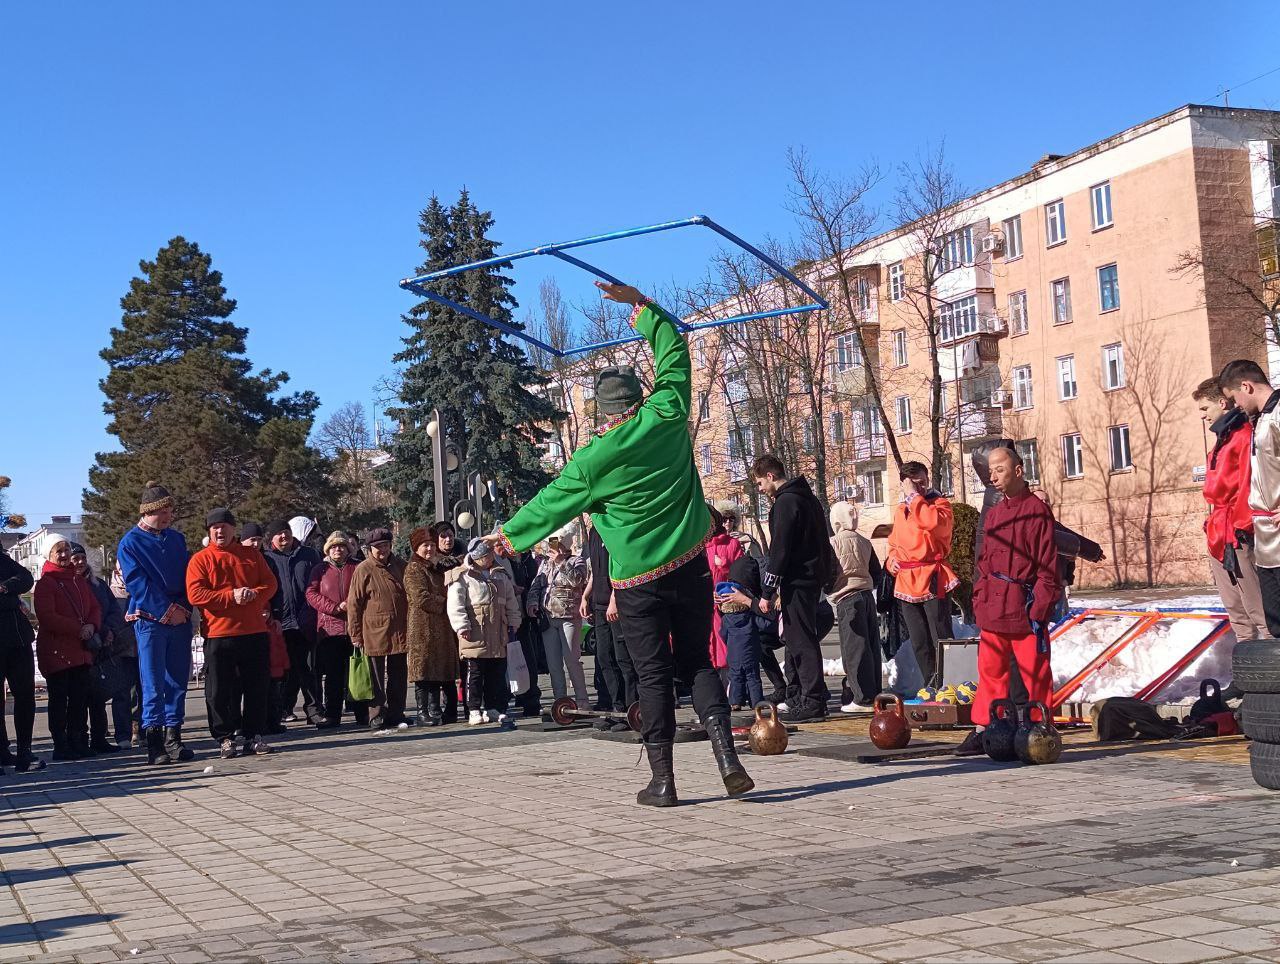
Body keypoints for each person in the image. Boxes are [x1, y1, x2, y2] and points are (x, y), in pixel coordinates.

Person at [487, 281, 753, 807]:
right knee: (699, 662)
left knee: (652, 676)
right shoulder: (669, 414)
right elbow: (675, 352)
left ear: (604, 413)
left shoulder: (595, 459)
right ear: (639, 399)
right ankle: (727, 759)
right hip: (691, 566)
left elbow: (551, 500)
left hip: (636, 583)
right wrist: (641, 307)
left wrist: (509, 535)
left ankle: (664, 781)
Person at [958, 447, 1059, 756]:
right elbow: (985, 562)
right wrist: (980, 598)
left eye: (999, 469)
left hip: (1024, 608)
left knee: (1035, 674)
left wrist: (1038, 609)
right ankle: (986, 729)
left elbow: (1048, 568)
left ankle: (1037, 730)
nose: (993, 476)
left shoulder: (1036, 511)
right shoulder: (996, 513)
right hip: (994, 608)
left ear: (1018, 470)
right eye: (991, 471)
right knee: (990, 672)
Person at [186, 508, 279, 758]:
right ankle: (225, 737)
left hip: (254, 631)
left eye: (224, 527)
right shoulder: (200, 560)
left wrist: (254, 594)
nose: (219, 531)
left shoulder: (251, 555)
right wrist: (231, 596)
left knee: (257, 686)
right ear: (209, 531)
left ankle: (254, 735)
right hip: (219, 634)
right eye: (214, 528)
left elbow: (271, 584)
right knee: (219, 690)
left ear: (233, 530)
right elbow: (195, 594)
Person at [116, 481, 195, 766]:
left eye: (170, 511)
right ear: (148, 512)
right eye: (162, 511)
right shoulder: (130, 542)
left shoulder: (176, 539)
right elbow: (137, 582)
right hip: (151, 619)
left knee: (178, 679)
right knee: (152, 682)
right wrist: (165, 610)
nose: (167, 516)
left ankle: (175, 736)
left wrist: (185, 607)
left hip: (180, 616)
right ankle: (154, 741)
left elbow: (189, 575)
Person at [750, 454, 833, 723]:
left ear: (771, 476)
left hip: (797, 579)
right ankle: (802, 694)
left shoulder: (786, 503)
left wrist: (767, 589)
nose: (761, 489)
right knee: (800, 637)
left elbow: (780, 549)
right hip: (811, 577)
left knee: (800, 639)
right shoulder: (808, 499)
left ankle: (813, 699)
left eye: (760, 483)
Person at [1194, 377, 1268, 640]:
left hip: (1237, 530)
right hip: (1218, 530)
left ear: (1222, 403)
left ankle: (1271, 670)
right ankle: (1247, 671)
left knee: (1258, 607)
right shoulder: (1221, 441)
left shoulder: (1244, 436)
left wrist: (1242, 526)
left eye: (1205, 409)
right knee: (1235, 610)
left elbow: (1249, 484)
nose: (1202, 416)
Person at [1220, 359, 1280, 635]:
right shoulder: (1260, 420)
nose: (1236, 406)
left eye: (1235, 398)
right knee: (1275, 622)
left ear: (1246, 386)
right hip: (1267, 539)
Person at [885, 462, 957, 690]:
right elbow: (894, 542)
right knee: (919, 641)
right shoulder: (901, 510)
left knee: (940, 637)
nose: (918, 486)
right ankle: (931, 684)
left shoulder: (940, 505)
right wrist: (891, 560)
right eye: (912, 482)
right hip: (907, 579)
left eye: (920, 480)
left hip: (931, 576)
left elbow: (930, 523)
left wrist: (914, 497)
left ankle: (949, 684)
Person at [34, 536, 100, 761]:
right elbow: (47, 617)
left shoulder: (77, 579)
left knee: (79, 699)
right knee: (60, 700)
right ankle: (61, 745)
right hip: (57, 651)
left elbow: (94, 607)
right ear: (49, 555)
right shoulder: (46, 583)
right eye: (58, 551)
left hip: (79, 650)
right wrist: (78, 628)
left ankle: (78, 740)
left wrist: (92, 625)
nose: (64, 555)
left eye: (66, 549)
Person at [447, 538, 521, 725]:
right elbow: (455, 604)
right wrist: (462, 626)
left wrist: (514, 621)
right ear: (476, 558)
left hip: (498, 631)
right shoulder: (462, 576)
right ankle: (473, 710)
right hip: (475, 632)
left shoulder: (500, 574)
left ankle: (493, 708)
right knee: (475, 673)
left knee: (496, 672)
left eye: (489, 555)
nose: (489, 558)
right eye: (485, 556)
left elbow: (510, 601)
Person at [347, 528, 409, 729]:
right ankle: (376, 714)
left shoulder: (400, 565)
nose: (382, 550)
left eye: (385, 545)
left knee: (398, 676)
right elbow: (354, 604)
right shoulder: (364, 569)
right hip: (374, 631)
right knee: (375, 677)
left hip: (400, 629)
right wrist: (355, 633)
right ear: (370, 549)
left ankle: (397, 712)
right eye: (377, 547)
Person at [71, 544, 129, 753]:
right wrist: (99, 630)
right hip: (80, 646)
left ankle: (99, 737)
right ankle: (80, 738)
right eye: (74, 558)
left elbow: (113, 609)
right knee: (79, 696)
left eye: (81, 557)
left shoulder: (99, 585)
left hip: (103, 647)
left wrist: (110, 630)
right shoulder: (69, 585)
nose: (79, 562)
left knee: (100, 694)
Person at [264, 519, 323, 726]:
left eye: (286, 532)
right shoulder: (266, 558)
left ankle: (314, 710)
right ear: (271, 538)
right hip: (279, 624)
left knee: (309, 669)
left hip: (305, 622)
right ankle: (282, 710)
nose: (284, 536)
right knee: (282, 671)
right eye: (278, 533)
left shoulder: (308, 555)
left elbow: (319, 585)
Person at [829, 501, 883, 711]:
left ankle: (862, 698)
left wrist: (830, 589)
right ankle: (875, 692)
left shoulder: (833, 543)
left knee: (854, 649)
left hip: (846, 598)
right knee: (871, 647)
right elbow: (876, 572)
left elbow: (829, 572)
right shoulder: (865, 541)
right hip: (867, 595)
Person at [305, 531, 360, 728]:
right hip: (330, 630)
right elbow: (311, 594)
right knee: (334, 676)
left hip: (355, 628)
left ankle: (362, 712)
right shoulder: (320, 569)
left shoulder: (356, 567)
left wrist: (351, 605)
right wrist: (335, 608)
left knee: (357, 672)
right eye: (334, 546)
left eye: (342, 546)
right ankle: (333, 714)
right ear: (328, 549)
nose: (338, 550)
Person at [404, 524, 458, 727]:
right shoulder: (414, 568)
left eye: (431, 545)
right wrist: (447, 603)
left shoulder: (437, 567)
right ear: (416, 548)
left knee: (436, 669)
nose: (429, 549)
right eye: (424, 546)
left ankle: (435, 709)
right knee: (423, 671)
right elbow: (420, 597)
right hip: (422, 627)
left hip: (441, 626)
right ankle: (422, 711)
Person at [582, 522, 637, 712]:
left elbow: (622, 565)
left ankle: (633, 707)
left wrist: (615, 597)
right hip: (599, 604)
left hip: (616, 603)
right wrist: (585, 596)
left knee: (623, 658)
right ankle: (617, 706)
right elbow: (595, 571)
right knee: (604, 656)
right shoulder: (593, 532)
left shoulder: (613, 526)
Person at [0, 544, 43, 771]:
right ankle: (2, 751)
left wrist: (5, 588)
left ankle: (25, 752)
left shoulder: (3, 559)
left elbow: (26, 578)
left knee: (25, 695)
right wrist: (12, 601)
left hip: (17, 640)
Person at [536, 535, 590, 705]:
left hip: (569, 616)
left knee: (572, 660)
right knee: (554, 664)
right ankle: (560, 701)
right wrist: (532, 602)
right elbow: (537, 584)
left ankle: (582, 700)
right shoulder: (545, 563)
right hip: (548, 617)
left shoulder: (576, 561)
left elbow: (578, 581)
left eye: (557, 545)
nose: (553, 549)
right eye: (551, 545)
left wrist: (561, 562)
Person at [714, 551, 768, 709]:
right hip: (751, 651)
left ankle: (735, 702)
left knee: (735, 676)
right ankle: (756, 702)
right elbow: (763, 624)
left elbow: (722, 633)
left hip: (733, 653)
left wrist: (730, 642)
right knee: (753, 677)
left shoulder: (726, 619)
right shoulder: (749, 615)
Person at [704, 505, 744, 679]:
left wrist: (724, 566)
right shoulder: (698, 546)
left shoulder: (732, 543)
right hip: (703, 605)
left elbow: (742, 574)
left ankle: (732, 692)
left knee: (726, 648)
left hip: (726, 604)